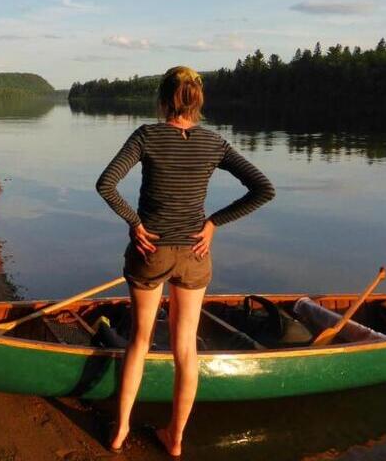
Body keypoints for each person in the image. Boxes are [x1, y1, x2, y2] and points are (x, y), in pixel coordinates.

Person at [95, 66, 275, 457]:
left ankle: (121, 430)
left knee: (139, 341)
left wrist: (135, 223)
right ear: (198, 102)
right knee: (185, 347)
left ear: (162, 100)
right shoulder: (214, 143)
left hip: (151, 251)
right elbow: (264, 189)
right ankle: (175, 438)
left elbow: (106, 184)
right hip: (195, 254)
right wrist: (213, 224)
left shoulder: (146, 135)